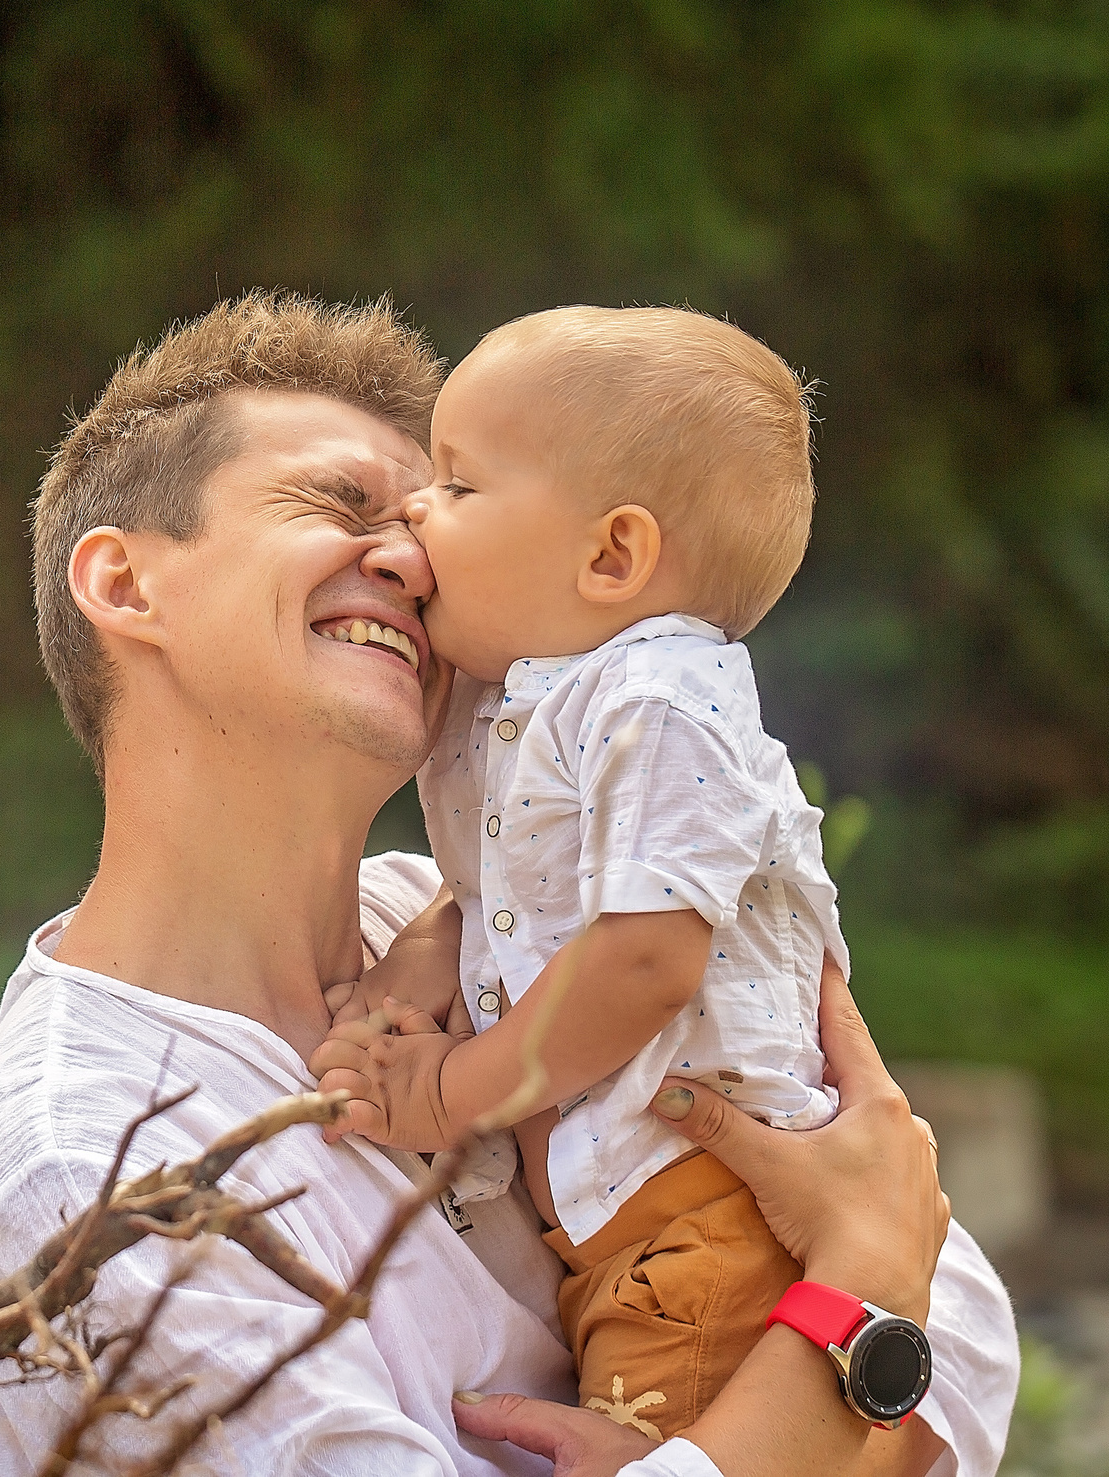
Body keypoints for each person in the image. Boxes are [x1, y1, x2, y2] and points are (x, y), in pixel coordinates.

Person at [0, 293, 1017, 1476]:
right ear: (127, 586)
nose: (407, 558)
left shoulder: (504, 920)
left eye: (438, 521)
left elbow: (960, 1328)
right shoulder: (78, 1158)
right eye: (339, 507)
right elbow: (890, 1253)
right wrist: (854, 1293)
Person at [306, 306, 855, 1439]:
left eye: (456, 489)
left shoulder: (657, 698)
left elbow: (647, 958)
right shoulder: (524, 702)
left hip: (704, 1225)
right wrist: (413, 971)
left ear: (611, 556)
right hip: (631, 1234)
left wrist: (454, 1089)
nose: (416, 509)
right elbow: (502, 901)